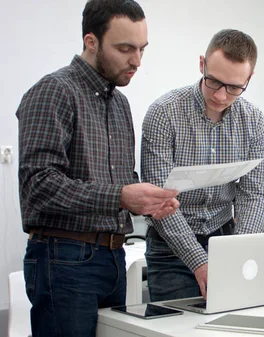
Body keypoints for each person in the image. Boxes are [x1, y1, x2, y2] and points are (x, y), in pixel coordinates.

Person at [16, 1, 180, 336]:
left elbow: (120, 184)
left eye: (141, 49)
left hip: (114, 259)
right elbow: (39, 186)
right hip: (64, 259)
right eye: (124, 49)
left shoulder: (119, 103)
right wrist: (121, 196)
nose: (136, 60)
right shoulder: (53, 91)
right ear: (91, 41)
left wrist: (150, 203)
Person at [141, 29, 264, 302]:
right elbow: (159, 200)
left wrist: (236, 254)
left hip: (223, 237)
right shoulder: (165, 113)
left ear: (249, 79)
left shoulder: (254, 121)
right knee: (173, 328)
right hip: (171, 246)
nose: (221, 96)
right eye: (214, 81)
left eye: (234, 87)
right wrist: (198, 260)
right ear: (202, 64)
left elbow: (254, 194)